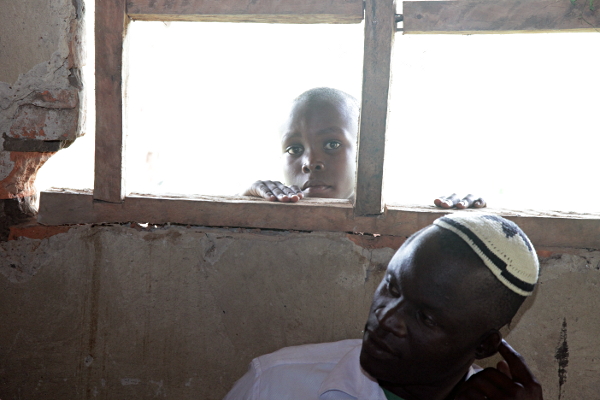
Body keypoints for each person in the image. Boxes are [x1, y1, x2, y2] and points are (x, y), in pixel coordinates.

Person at [223, 213, 543, 400]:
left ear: (484, 345)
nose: (386, 318)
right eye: (391, 287)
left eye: (425, 317)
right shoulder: (277, 385)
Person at [242, 87, 359, 202]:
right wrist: (245, 204)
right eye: (294, 149)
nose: (310, 163)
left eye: (332, 145)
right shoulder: (272, 214)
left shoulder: (376, 218)